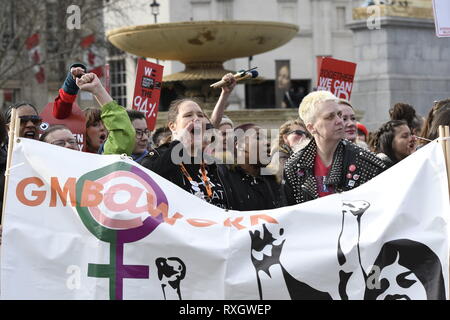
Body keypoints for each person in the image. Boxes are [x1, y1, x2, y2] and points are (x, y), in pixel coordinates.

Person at [282, 91, 387, 205]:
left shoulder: (367, 163)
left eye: (339, 115)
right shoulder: (294, 166)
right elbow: (289, 214)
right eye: (330, 117)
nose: (339, 121)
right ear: (311, 128)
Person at [141, 98, 239, 210]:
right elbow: (144, 180)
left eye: (200, 115)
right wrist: (180, 143)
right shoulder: (158, 156)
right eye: (188, 115)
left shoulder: (215, 164)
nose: (196, 119)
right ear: (173, 126)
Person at [75, 72, 135, 155]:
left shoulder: (108, 157)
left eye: (105, 124)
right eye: (95, 124)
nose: (103, 128)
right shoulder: (75, 159)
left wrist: (98, 90)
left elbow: (123, 137)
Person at [227, 123, 280, 211]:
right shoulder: (224, 178)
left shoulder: (274, 181)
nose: (267, 143)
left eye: (267, 138)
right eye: (258, 138)